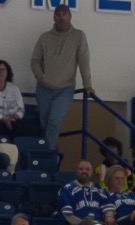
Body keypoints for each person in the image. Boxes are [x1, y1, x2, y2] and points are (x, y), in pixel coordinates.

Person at [29, 2, 91, 151]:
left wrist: (87, 84)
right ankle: (50, 156)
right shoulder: (44, 37)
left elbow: (84, 60)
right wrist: (41, 78)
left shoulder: (79, 35)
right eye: (58, 14)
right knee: (45, 124)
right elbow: (35, 61)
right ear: (54, 17)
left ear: (70, 16)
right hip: (43, 88)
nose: (61, 17)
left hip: (65, 88)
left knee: (54, 121)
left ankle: (47, 154)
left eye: (65, 14)